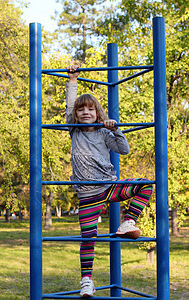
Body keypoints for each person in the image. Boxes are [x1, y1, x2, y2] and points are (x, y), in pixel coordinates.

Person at [66, 65, 153, 298]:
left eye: (90, 109)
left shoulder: (104, 133)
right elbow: (70, 104)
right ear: (75, 115)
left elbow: (124, 150)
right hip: (87, 195)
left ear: (98, 113)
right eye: (81, 110)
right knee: (88, 238)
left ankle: (127, 222)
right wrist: (72, 79)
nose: (85, 112)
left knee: (145, 185)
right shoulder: (74, 130)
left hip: (109, 186)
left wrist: (116, 130)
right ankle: (87, 281)